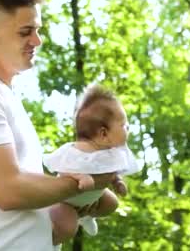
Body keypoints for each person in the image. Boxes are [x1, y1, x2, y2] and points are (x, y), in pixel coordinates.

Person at [0, 0, 119, 251]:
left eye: (38, 30)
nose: (37, 40)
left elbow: (23, 198)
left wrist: (88, 190)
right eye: (25, 32)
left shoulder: (4, 97)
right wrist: (82, 185)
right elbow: (8, 190)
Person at [43, 84, 140, 244]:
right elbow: (62, 168)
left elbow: (111, 172)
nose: (128, 129)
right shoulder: (77, 151)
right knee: (67, 227)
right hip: (66, 202)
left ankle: (86, 216)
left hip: (92, 197)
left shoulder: (111, 154)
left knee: (112, 203)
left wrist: (118, 182)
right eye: (123, 125)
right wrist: (81, 177)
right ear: (103, 134)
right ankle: (44, 242)